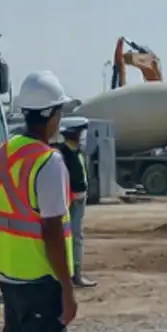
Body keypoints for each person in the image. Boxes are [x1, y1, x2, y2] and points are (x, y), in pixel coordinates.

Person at [0, 70, 79, 332]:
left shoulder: (3, 154)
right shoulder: (49, 162)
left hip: (9, 278)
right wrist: (68, 289)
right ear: (52, 115)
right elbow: (52, 231)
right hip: (41, 280)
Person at [54, 117, 97, 289]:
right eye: (81, 132)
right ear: (73, 133)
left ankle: (72, 274)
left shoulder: (76, 152)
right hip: (70, 201)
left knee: (75, 237)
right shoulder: (62, 154)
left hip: (78, 199)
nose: (83, 136)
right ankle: (73, 275)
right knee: (72, 237)